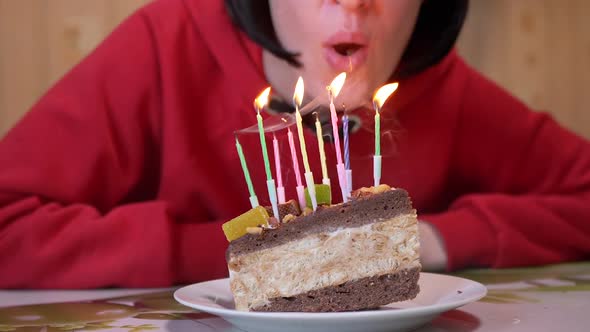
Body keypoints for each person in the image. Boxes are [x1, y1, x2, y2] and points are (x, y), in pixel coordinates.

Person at [0, 0, 589, 288]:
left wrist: (416, 242)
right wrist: (248, 258)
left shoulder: (442, 89)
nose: (354, 1)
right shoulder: (163, 45)